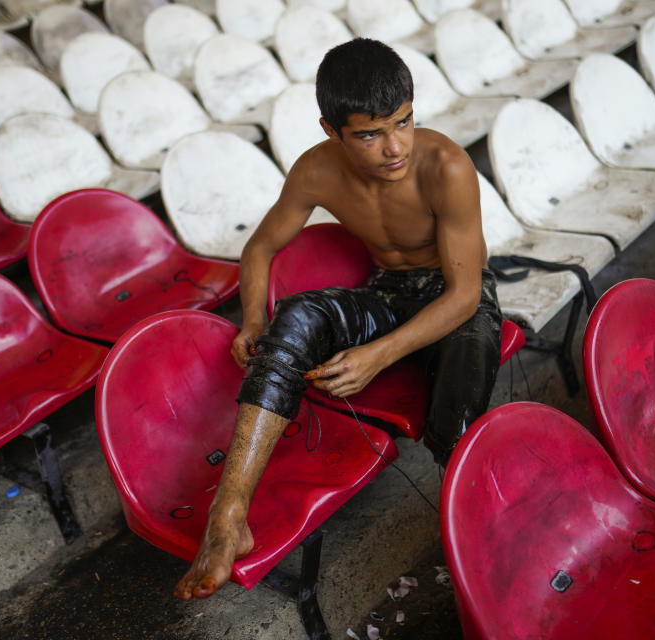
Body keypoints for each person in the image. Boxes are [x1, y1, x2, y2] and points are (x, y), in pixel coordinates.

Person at [174, 38, 502, 601]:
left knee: (459, 412)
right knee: (296, 317)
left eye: (403, 122)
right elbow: (258, 250)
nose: (394, 147)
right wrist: (253, 320)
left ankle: (484, 542)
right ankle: (229, 516)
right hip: (388, 292)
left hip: (453, 299)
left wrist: (377, 355)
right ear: (332, 130)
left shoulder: (445, 165)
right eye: (370, 135)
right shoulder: (315, 171)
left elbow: (465, 295)